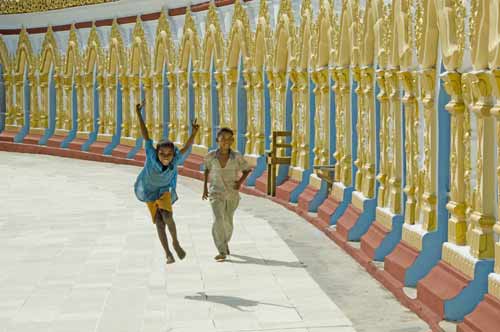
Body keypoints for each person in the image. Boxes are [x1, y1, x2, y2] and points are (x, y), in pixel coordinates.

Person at [134, 100, 199, 264]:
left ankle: (176, 242)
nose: (165, 157)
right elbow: (145, 134)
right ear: (157, 152)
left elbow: (186, 147)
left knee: (167, 216)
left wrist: (194, 133)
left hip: (164, 190)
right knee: (159, 222)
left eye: (169, 154)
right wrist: (138, 114)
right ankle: (168, 252)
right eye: (162, 154)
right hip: (148, 190)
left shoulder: (174, 160)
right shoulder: (150, 154)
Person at [202, 127, 252, 261]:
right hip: (215, 192)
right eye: (223, 138)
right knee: (218, 219)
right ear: (217, 140)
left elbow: (247, 170)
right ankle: (221, 250)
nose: (226, 141)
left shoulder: (236, 157)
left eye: (229, 138)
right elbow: (206, 170)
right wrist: (205, 188)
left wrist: (240, 182)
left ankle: (225, 241)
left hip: (232, 193)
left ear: (232, 141)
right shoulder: (211, 156)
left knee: (228, 221)